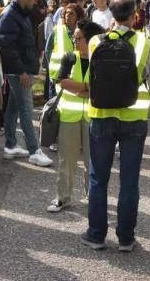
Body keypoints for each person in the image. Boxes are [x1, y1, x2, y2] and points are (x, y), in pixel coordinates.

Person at [82, 0, 150, 252]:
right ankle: (126, 238)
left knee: (98, 178)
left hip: (102, 115)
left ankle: (96, 235)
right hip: (133, 117)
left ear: (112, 16)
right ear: (135, 15)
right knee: (129, 180)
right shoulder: (144, 42)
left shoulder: (95, 41)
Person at [48, 20, 104, 212]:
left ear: (91, 40)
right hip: (69, 116)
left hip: (94, 117)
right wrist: (87, 89)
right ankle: (63, 198)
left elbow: (103, 87)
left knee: (93, 161)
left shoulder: (101, 58)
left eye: (79, 38)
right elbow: (61, 81)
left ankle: (93, 197)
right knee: (66, 160)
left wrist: (80, 88)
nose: (75, 40)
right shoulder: (70, 57)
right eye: (74, 37)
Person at [0, 0, 53, 167]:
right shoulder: (10, 15)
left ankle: (10, 146)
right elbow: (7, 46)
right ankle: (34, 151)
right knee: (26, 109)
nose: (36, 3)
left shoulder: (18, 13)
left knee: (13, 108)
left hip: (21, 69)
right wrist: (21, 70)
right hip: (19, 71)